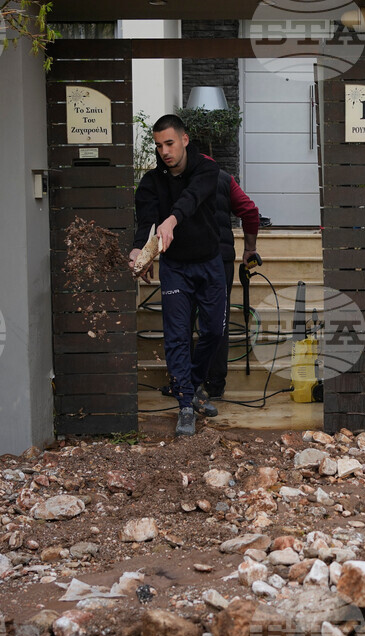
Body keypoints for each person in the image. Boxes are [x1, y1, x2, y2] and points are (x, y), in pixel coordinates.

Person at [129, 114, 226, 437]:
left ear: (184, 140)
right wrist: (139, 252)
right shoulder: (151, 182)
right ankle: (186, 403)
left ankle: (194, 383)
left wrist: (171, 221)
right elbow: (145, 221)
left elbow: (192, 198)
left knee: (213, 330)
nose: (164, 151)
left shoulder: (207, 170)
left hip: (209, 261)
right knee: (176, 335)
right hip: (175, 268)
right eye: (158, 146)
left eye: (169, 143)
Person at [205, 169, 261, 399]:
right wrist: (249, 248)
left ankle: (183, 382)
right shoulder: (222, 177)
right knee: (219, 319)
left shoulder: (176, 175)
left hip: (186, 260)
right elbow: (250, 211)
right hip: (220, 257)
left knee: (183, 320)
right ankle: (215, 385)